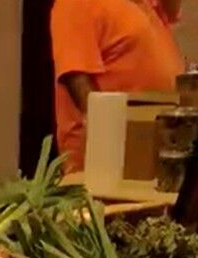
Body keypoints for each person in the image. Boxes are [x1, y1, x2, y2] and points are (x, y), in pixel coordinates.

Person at [50, 0, 186, 172]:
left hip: (156, 150)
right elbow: (76, 77)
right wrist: (109, 142)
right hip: (108, 161)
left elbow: (171, 9)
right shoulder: (75, 4)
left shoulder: (144, 5)